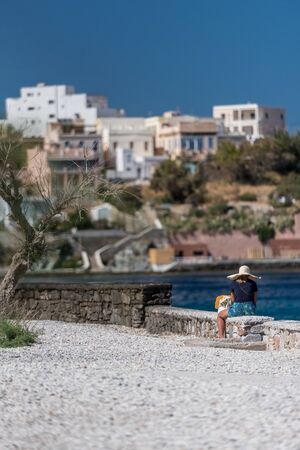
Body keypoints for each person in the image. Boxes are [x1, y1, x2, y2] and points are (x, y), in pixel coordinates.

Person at [217, 265, 260, 338]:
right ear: (248, 275)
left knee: (220, 316)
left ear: (239, 274)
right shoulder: (253, 284)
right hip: (250, 310)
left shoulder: (233, 283)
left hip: (237, 309)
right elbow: (254, 299)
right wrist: (252, 308)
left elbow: (233, 299)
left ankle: (221, 336)